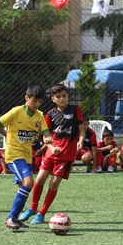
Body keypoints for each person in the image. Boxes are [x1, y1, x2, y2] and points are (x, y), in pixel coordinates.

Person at [0, 84, 51, 230]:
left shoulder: (39, 116)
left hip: (27, 156)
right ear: (26, 98)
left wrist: (48, 139)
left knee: (23, 187)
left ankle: (15, 218)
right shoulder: (16, 112)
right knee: (29, 183)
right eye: (34, 100)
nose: (37, 104)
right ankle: (11, 218)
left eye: (40, 101)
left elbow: (47, 134)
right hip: (14, 154)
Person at [19, 84, 85, 224]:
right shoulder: (49, 114)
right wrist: (50, 146)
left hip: (66, 155)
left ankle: (41, 213)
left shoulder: (75, 110)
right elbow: (45, 135)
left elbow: (81, 129)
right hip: (50, 152)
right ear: (53, 99)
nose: (62, 99)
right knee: (39, 179)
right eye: (59, 97)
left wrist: (80, 140)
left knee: (54, 183)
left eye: (64, 96)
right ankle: (32, 208)